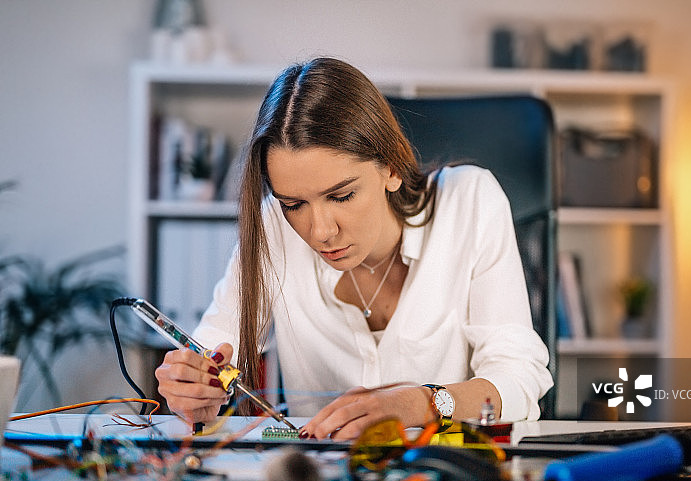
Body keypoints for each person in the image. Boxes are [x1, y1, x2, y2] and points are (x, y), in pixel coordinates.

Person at [155, 57, 553, 440]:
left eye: (342, 196)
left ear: (392, 168)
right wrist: (193, 388)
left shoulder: (469, 201)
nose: (321, 231)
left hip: (444, 479)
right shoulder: (274, 224)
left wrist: (423, 404)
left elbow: (518, 377)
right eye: (294, 204)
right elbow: (214, 349)